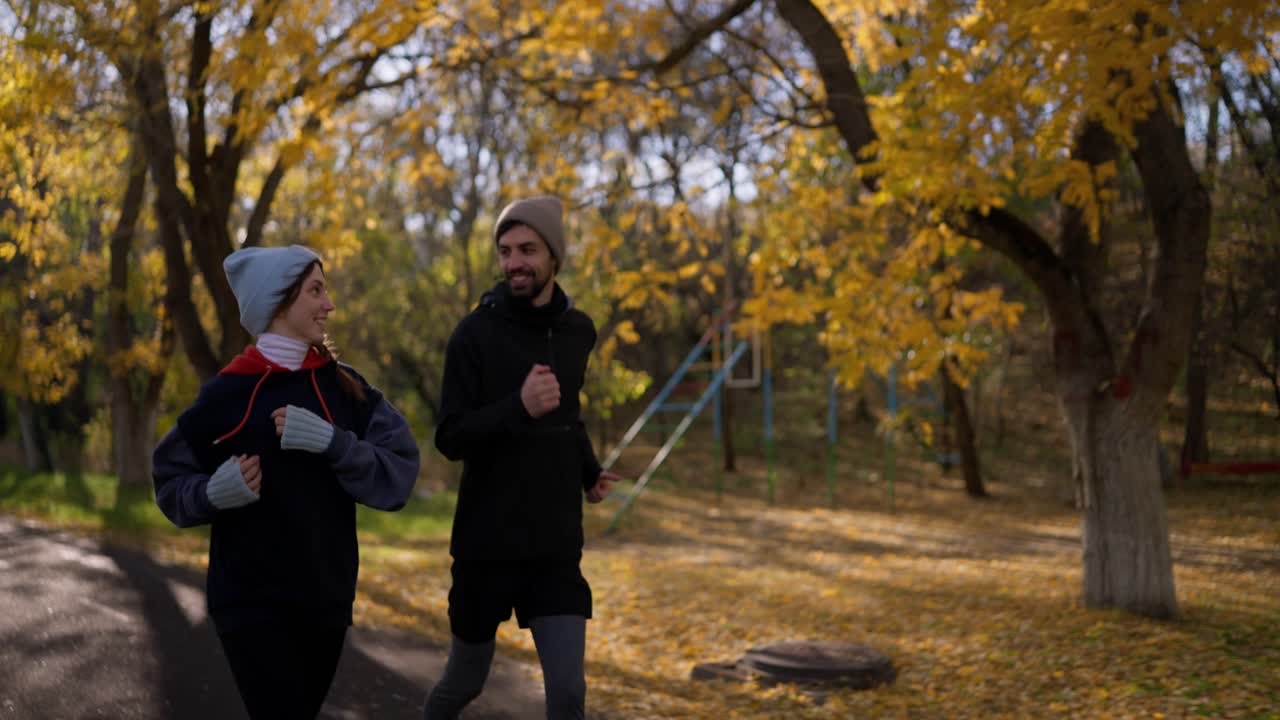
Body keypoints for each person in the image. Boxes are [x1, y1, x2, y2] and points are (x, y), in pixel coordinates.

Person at [152, 244, 420, 719]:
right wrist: (212, 493)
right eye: (316, 291)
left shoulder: (346, 389)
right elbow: (169, 481)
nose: (329, 304)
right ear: (278, 302)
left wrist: (335, 444)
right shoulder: (225, 395)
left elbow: (400, 470)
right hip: (248, 603)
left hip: (326, 601)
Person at [426, 196, 622, 720]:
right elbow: (449, 436)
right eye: (506, 250)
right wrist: (518, 406)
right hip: (485, 548)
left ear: (554, 256)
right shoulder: (473, 334)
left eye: (528, 249)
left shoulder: (578, 331)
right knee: (462, 683)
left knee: (568, 693)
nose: (515, 262)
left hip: (553, 546)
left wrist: (589, 472)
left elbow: (568, 415)